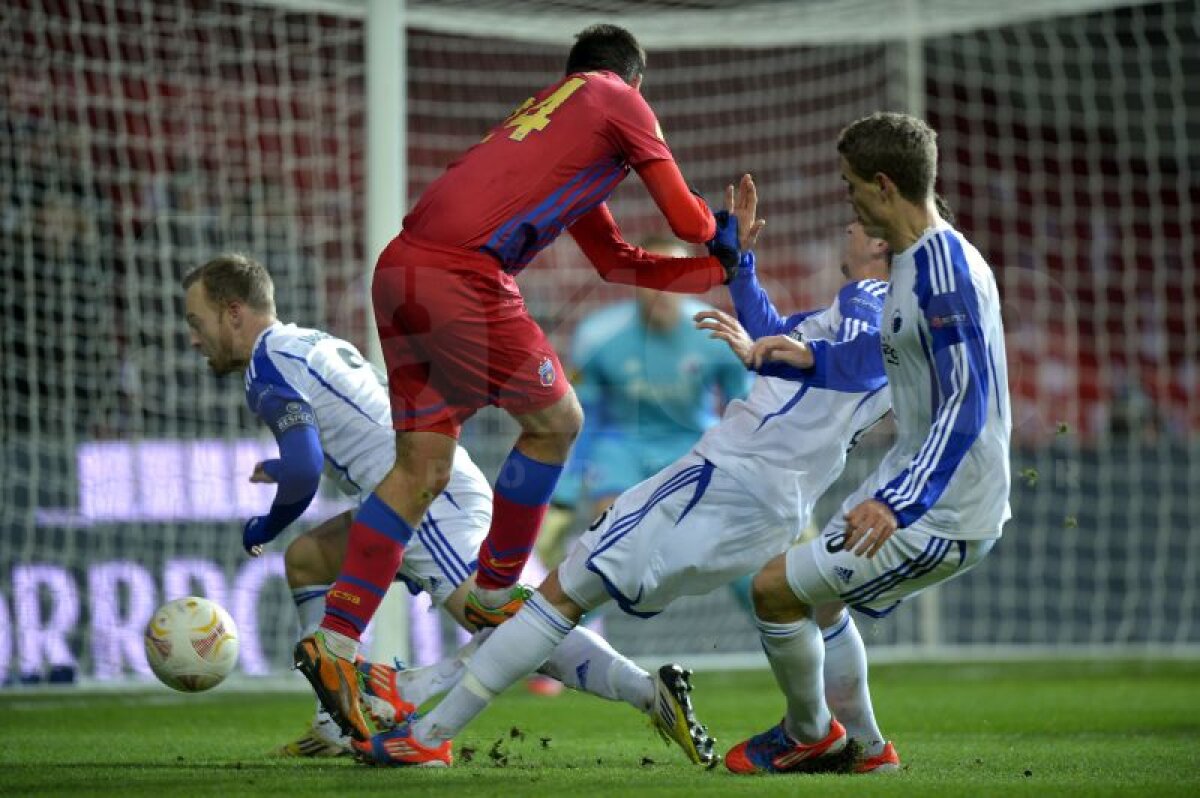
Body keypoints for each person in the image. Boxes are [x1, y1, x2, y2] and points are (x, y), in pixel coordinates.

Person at [298, 23, 753, 745]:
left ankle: (338, 641)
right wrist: (719, 232)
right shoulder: (615, 97)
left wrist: (715, 273)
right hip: (462, 275)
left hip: (400, 271)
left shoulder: (551, 127)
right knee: (557, 422)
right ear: (633, 81)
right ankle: (493, 585)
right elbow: (684, 217)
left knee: (421, 468)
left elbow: (616, 261)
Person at [354, 178, 900, 768]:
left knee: (561, 592)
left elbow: (849, 358)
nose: (846, 225)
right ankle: (861, 743)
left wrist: (792, 355)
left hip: (723, 477)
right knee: (800, 598)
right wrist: (740, 265)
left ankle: (429, 727)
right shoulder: (901, 324)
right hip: (769, 494)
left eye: (857, 218)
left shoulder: (868, 297)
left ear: (879, 243)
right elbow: (778, 340)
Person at [182, 253, 714, 763]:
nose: (193, 337)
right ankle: (333, 723)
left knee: (505, 628)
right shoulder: (301, 343)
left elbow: (303, 468)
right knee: (308, 559)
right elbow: (323, 444)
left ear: (234, 313)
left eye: (196, 319)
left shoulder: (265, 367)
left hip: (425, 502)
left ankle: (648, 694)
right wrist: (282, 473)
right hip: (415, 487)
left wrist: (265, 522)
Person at [721, 112, 1012, 776]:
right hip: (910, 484)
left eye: (852, 187)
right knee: (815, 600)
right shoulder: (912, 265)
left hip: (943, 507)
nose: (847, 199)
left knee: (773, 591)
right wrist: (801, 355)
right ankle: (869, 752)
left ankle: (807, 735)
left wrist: (899, 503)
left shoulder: (944, 273)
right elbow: (864, 361)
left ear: (884, 186)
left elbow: (968, 399)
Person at [540, 234, 751, 572]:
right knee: (607, 552)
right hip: (622, 447)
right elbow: (583, 420)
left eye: (675, 277)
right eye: (653, 276)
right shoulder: (597, 336)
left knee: (738, 565)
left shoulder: (719, 335)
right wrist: (562, 498)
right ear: (636, 280)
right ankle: (570, 616)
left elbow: (747, 415)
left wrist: (766, 482)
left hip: (694, 446)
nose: (663, 288)